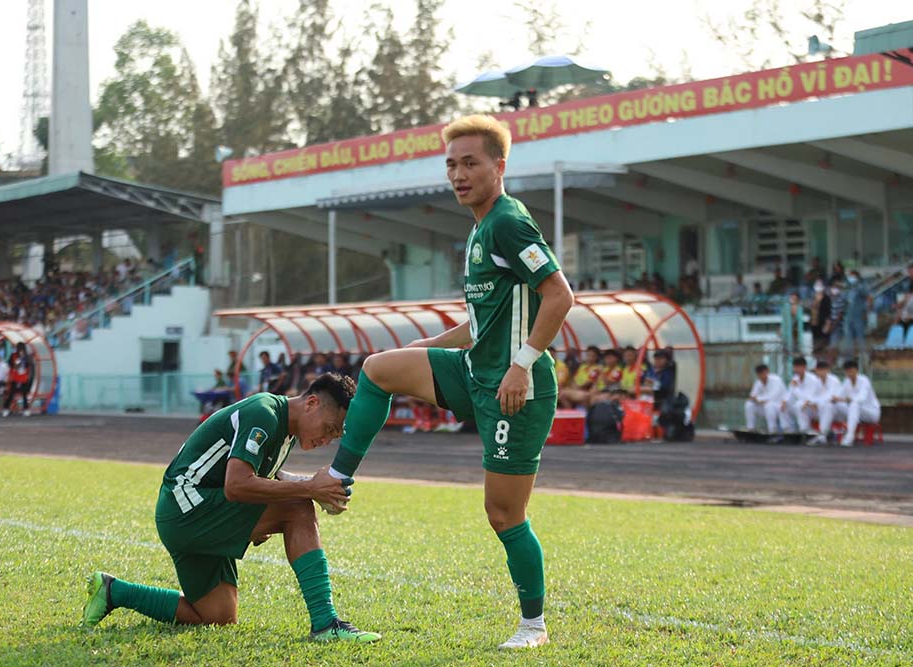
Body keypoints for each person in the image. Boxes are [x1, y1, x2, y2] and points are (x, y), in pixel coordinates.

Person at [321, 115, 573, 650]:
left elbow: (559, 296)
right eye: (451, 164)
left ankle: (534, 626)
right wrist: (428, 346)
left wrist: (523, 363)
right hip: (476, 372)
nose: (458, 174)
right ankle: (337, 478)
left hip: (516, 389)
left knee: (503, 512)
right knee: (379, 368)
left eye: (470, 163)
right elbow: (485, 322)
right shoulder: (481, 227)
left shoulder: (508, 222)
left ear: (499, 167)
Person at [81, 373, 380, 642]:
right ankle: (326, 623)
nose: (327, 440)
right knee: (297, 507)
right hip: (188, 508)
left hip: (186, 511)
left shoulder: (286, 428)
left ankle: (113, 591)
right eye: (329, 429)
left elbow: (269, 477)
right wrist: (310, 489)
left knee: (217, 616)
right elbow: (237, 486)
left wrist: (317, 487)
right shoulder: (264, 413)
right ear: (312, 403)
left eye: (334, 436)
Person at [832, 360, 881, 447]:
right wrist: (835, 399)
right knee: (835, 405)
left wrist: (846, 399)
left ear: (857, 370)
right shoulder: (846, 381)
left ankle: (850, 436)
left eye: (851, 371)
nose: (849, 374)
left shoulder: (864, 380)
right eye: (847, 372)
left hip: (870, 413)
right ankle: (834, 432)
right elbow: (839, 395)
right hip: (855, 413)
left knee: (855, 404)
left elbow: (861, 398)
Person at [781, 356, 823, 433]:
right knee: (783, 406)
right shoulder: (795, 378)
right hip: (803, 406)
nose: (796, 370)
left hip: (814, 407)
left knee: (799, 405)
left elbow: (808, 398)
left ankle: (804, 430)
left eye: (799, 367)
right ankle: (788, 431)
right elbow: (789, 393)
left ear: (804, 367)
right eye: (795, 367)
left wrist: (796, 388)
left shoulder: (812, 379)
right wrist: (784, 401)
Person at [808, 360, 843, 445]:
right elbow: (811, 396)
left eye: (822, 370)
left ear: (827, 370)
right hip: (820, 409)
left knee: (827, 406)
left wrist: (816, 402)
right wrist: (812, 403)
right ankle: (807, 434)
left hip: (836, 409)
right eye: (818, 370)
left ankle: (822, 436)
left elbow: (831, 398)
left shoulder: (834, 380)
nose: (820, 372)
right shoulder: (816, 381)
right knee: (801, 407)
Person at [744, 364, 786, 433]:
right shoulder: (758, 382)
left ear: (767, 371)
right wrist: (756, 399)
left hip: (778, 406)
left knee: (769, 405)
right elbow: (752, 396)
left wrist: (758, 399)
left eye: (763, 373)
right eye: (760, 374)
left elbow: (772, 397)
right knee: (749, 404)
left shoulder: (776, 380)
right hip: (765, 407)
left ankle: (772, 430)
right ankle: (750, 429)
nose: (762, 376)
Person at [842, 271, 871, 358]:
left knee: (860, 337)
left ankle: (863, 356)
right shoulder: (848, 287)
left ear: (857, 277)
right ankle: (849, 357)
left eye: (853, 276)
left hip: (859, 315)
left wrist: (867, 311)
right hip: (848, 315)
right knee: (848, 337)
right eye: (850, 276)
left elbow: (868, 296)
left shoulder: (862, 286)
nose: (851, 278)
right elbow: (845, 300)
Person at [2, 342, 33, 417]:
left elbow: (29, 365)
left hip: (24, 378)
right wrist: (16, 364)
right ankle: (6, 409)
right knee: (11, 394)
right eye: (19, 349)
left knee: (24, 394)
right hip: (15, 378)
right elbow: (10, 364)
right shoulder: (13, 355)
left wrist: (24, 360)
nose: (20, 350)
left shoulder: (27, 356)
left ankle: (26, 409)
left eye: (22, 349)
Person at [807, 281, 832, 354]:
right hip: (813, 322)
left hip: (823, 322)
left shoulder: (826, 298)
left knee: (823, 341)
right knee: (815, 340)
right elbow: (810, 308)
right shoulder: (812, 298)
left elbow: (828, 312)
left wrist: (828, 323)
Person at [779, 292, 805, 357]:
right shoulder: (786, 307)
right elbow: (784, 321)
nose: (792, 300)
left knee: (794, 353)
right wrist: (780, 329)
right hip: (787, 334)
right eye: (791, 298)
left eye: (794, 299)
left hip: (795, 334)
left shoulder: (799, 308)